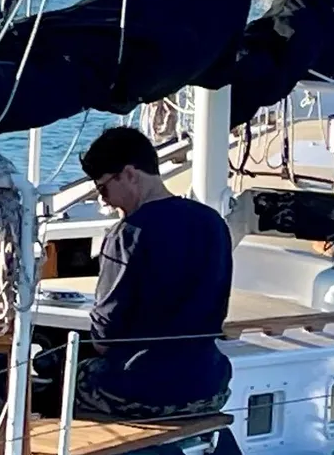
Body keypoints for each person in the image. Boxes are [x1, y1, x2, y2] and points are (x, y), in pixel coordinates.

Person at [64, 126, 233, 419]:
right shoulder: (213, 223)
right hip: (210, 386)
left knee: (59, 377)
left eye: (102, 188)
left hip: (142, 390)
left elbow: (104, 338)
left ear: (129, 174)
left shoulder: (128, 234)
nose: (104, 201)